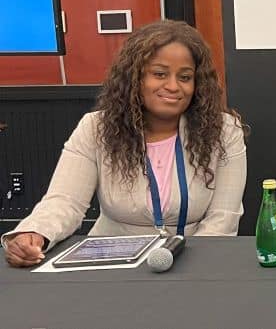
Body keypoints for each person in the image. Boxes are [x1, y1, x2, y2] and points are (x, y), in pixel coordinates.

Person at [3, 20, 248, 267]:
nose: (173, 86)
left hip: (192, 261)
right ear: (135, 78)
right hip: (111, 264)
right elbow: (65, 201)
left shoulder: (224, 131)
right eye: (159, 74)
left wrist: (188, 268)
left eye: (185, 77)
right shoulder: (95, 128)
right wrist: (35, 233)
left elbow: (223, 218)